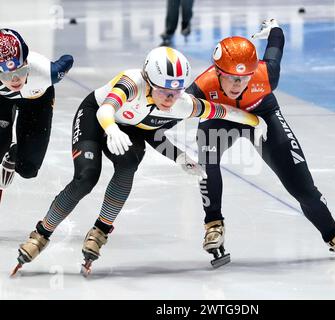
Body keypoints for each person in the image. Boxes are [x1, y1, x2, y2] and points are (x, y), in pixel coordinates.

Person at [12, 46, 267, 276]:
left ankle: (100, 231)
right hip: (96, 117)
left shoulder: (182, 104)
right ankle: (41, 234)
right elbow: (105, 110)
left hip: (130, 129)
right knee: (86, 177)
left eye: (176, 92)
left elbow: (220, 111)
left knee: (128, 166)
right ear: (148, 82)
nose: (170, 99)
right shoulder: (132, 82)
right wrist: (111, 129)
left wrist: (255, 121)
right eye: (164, 92)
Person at [186, 19, 335, 267]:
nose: (239, 85)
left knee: (302, 187)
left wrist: (274, 29)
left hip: (263, 114)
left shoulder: (266, 75)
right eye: (233, 78)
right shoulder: (201, 87)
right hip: (220, 118)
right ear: (218, 73)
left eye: (245, 78)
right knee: (206, 161)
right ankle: (213, 224)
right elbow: (169, 111)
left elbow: (276, 45)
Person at [0, 28, 74, 199]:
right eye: (6, 76)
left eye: (20, 72)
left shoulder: (48, 73)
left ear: (27, 63)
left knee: (28, 169)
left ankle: (14, 152)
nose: (15, 81)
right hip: (2, 100)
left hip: (36, 101)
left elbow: (68, 59)